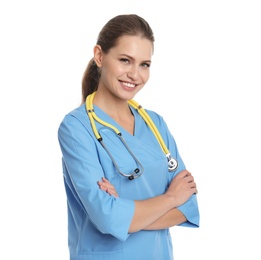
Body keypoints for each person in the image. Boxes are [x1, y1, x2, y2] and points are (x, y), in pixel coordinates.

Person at [58, 14, 200, 260]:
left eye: (144, 64)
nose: (135, 74)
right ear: (100, 56)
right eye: (125, 60)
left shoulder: (155, 124)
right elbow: (106, 218)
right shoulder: (76, 128)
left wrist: (125, 211)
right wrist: (170, 197)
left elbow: (187, 208)